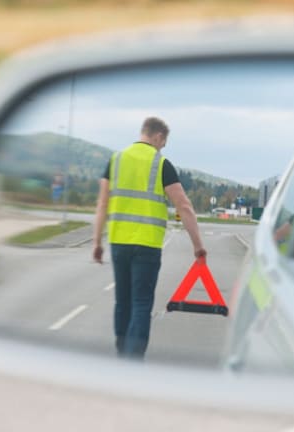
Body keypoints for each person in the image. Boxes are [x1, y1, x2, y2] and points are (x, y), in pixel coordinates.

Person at [92, 117, 206, 359]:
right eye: (163, 143)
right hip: (147, 246)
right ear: (158, 137)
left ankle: (122, 354)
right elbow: (184, 206)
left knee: (122, 302)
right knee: (141, 304)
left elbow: (102, 203)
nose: (162, 147)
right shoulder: (161, 163)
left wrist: (96, 242)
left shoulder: (115, 160)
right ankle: (133, 361)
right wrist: (198, 246)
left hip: (119, 243)